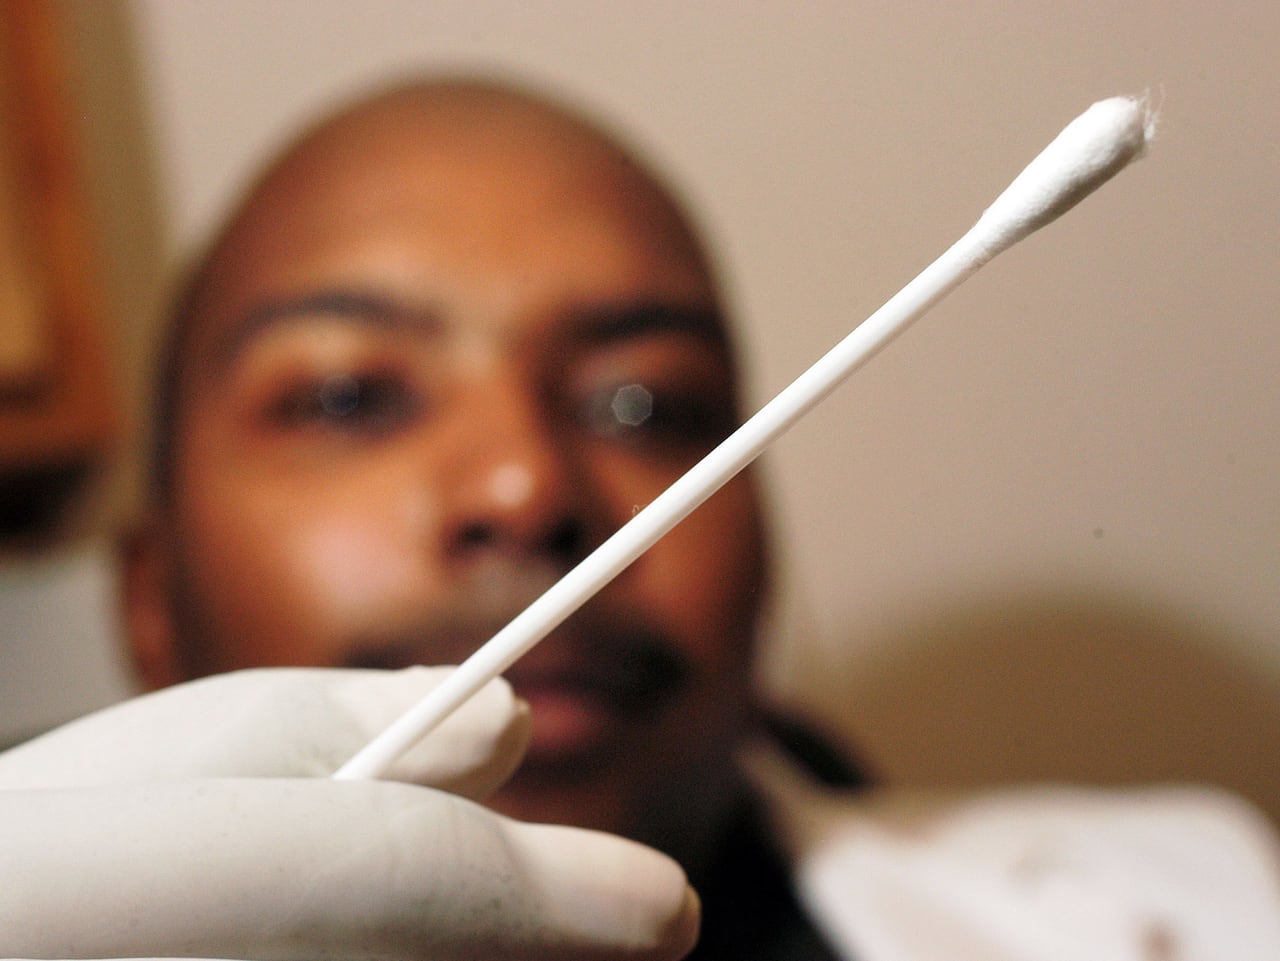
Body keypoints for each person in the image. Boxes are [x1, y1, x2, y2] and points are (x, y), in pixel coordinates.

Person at [7, 76, 1280, 959]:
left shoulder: (1208, 909)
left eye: (646, 400)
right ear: (147, 600)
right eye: (350, 394)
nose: (525, 485)